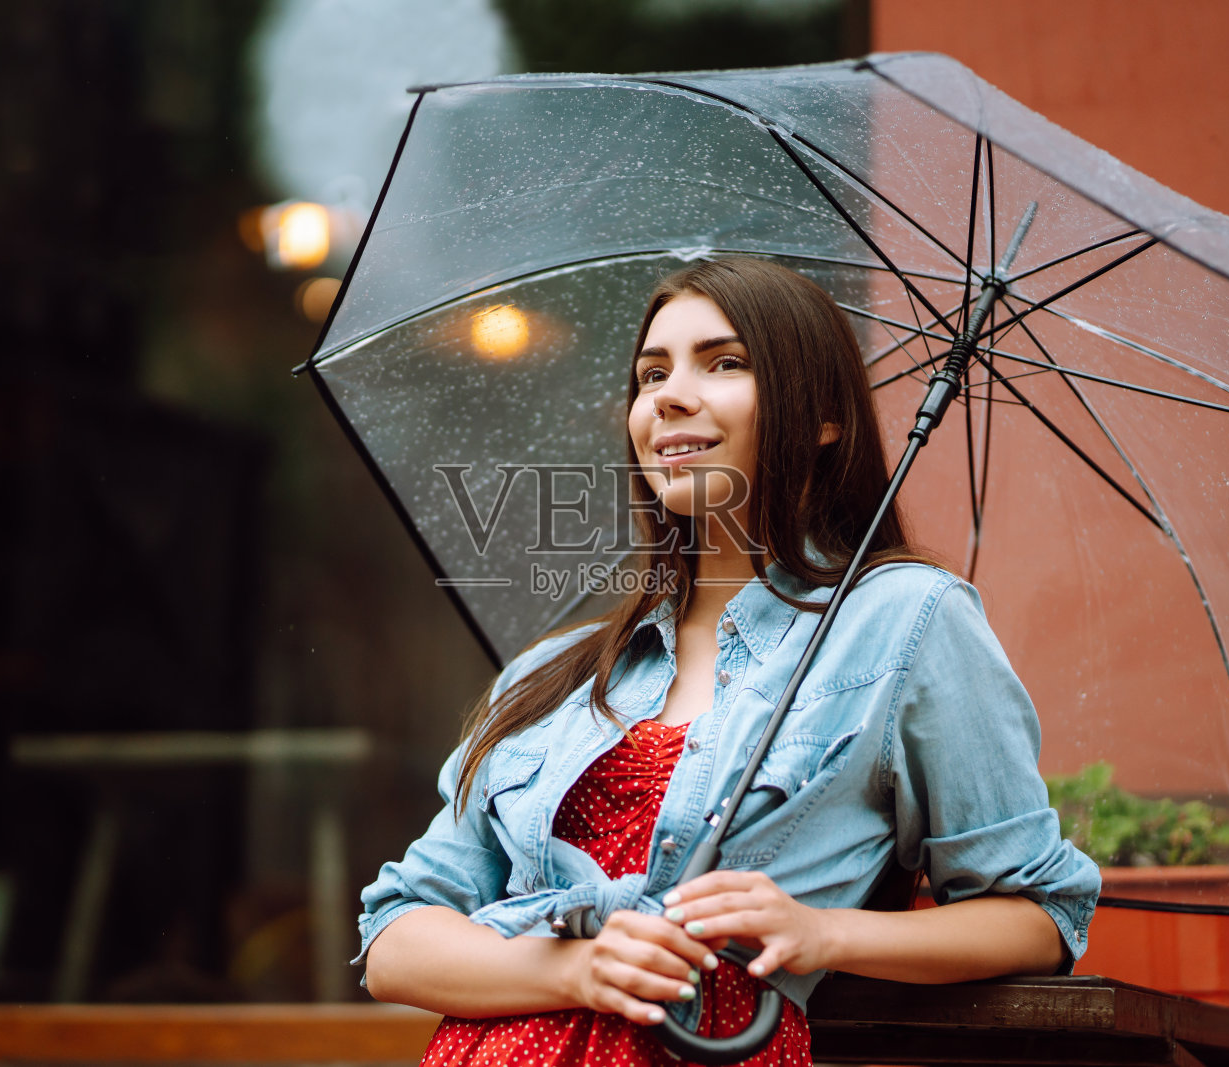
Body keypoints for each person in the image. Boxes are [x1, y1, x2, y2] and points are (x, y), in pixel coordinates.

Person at [356, 258, 1101, 1066]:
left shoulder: (904, 621)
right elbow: (395, 939)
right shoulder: (556, 672)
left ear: (823, 419)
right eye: (651, 373)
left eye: (725, 363)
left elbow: (1038, 914)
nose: (668, 395)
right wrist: (576, 966)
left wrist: (823, 930)